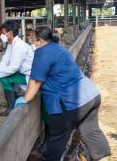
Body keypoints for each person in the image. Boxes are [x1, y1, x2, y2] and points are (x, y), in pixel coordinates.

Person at [15, 26, 110, 160]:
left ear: (41, 41)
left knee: (57, 138)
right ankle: (104, 158)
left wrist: (26, 98)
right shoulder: (57, 47)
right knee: (92, 132)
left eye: (33, 40)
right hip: (91, 95)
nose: (33, 44)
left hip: (71, 101)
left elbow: (36, 81)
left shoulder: (42, 52)